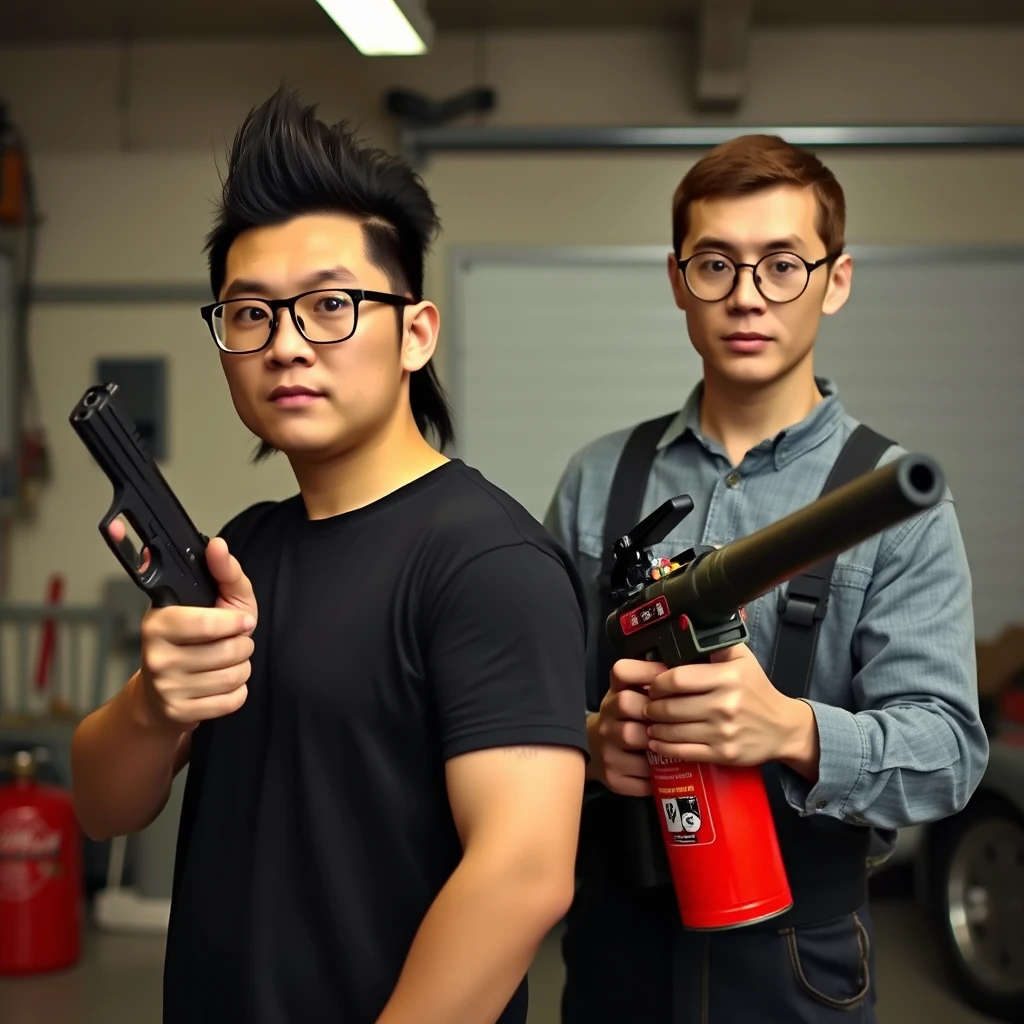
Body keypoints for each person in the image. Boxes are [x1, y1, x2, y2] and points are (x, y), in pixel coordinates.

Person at [71, 87, 589, 1024]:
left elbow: (523, 875)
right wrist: (154, 705)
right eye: (250, 314)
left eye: (330, 305)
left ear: (415, 334)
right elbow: (102, 807)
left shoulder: (489, 562)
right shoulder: (244, 549)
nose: (285, 345)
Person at [544, 134, 990, 1023]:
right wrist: (589, 744)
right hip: (615, 937)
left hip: (802, 953)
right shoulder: (598, 479)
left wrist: (791, 730)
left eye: (783, 264)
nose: (747, 295)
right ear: (677, 280)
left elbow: (949, 753)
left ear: (837, 278)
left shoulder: (897, 501)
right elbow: (520, 703)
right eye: (715, 263)